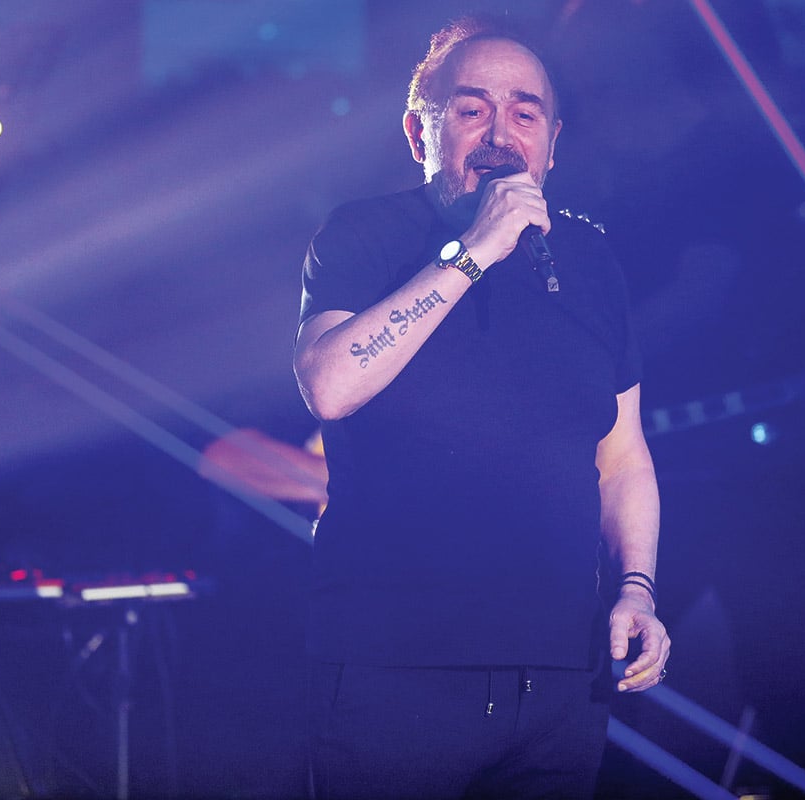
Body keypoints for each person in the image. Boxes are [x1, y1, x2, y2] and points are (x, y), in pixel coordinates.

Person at [291, 16, 669, 800]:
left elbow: (624, 456)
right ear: (418, 133)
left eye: (525, 114)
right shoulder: (364, 234)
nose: (501, 135)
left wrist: (637, 588)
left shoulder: (591, 260)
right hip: (396, 671)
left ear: (553, 143)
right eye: (471, 110)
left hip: (561, 678)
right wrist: (473, 253)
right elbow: (330, 384)